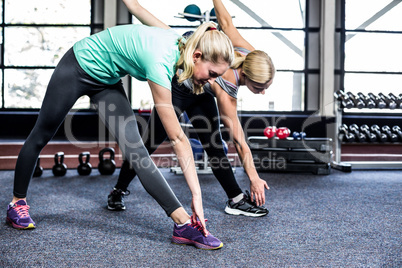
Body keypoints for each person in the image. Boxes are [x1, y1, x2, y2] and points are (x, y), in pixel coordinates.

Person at [6, 0, 235, 250]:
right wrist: (197, 196)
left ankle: (183, 225)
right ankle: (17, 203)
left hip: (107, 80)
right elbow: (178, 139)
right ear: (197, 56)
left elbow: (137, 9)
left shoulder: (182, 44)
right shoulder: (159, 63)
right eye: (212, 74)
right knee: (42, 133)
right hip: (77, 65)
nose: (212, 82)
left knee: (137, 152)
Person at [108, 0, 275, 218]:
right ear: (245, 75)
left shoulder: (251, 55)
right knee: (149, 144)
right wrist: (253, 177)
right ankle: (118, 190)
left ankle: (235, 199)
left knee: (214, 144)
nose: (262, 92)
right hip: (180, 85)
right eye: (259, 87)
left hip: (202, 91)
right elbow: (239, 141)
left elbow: (225, 21)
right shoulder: (227, 94)